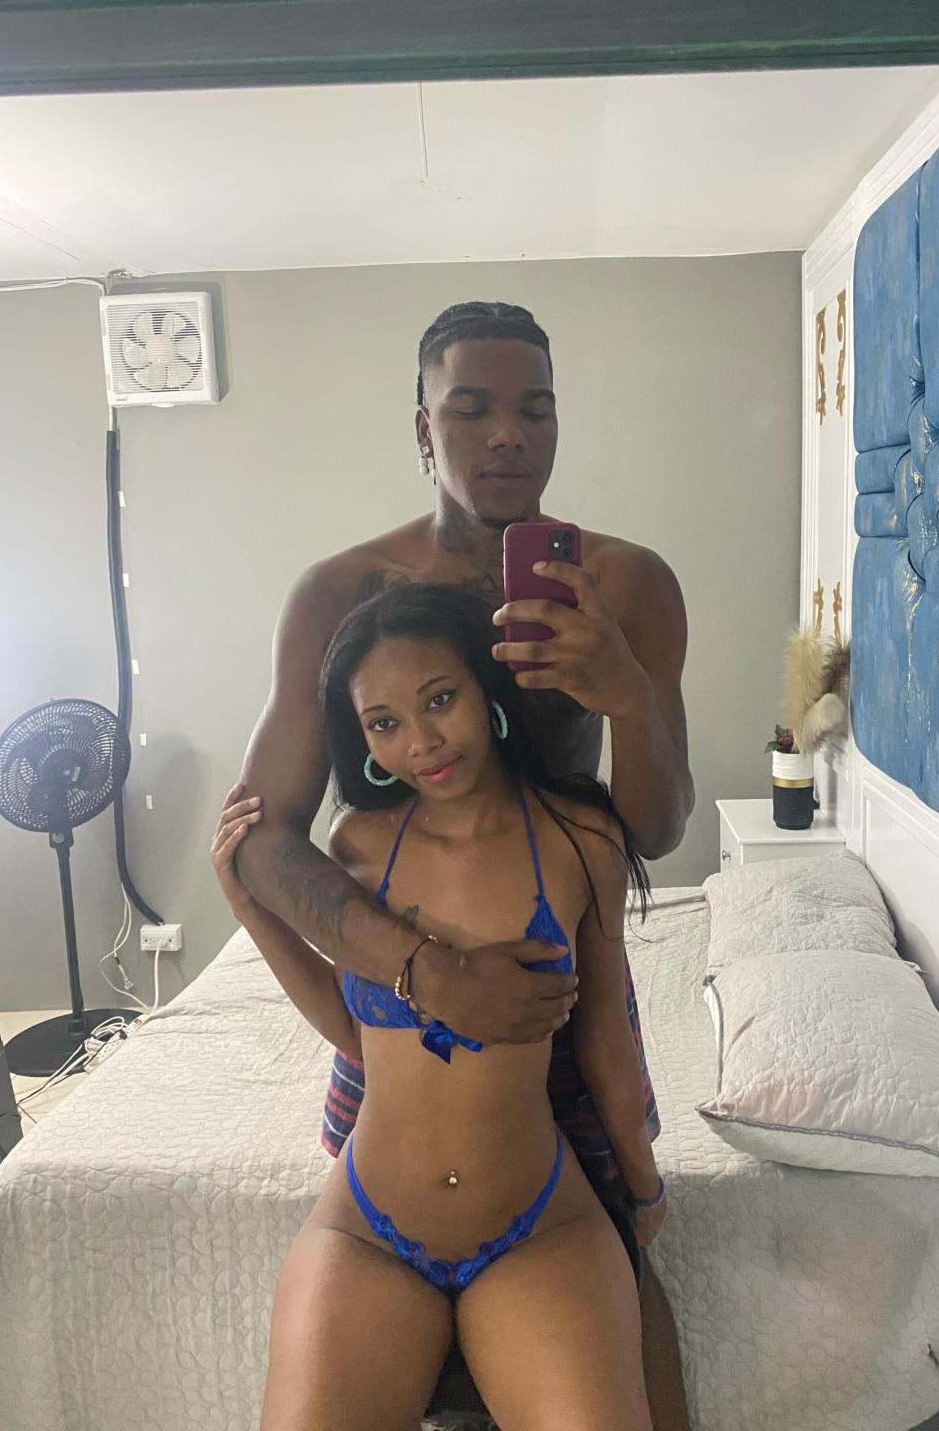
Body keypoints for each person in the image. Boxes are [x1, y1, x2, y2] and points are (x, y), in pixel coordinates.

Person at [233, 301, 694, 1428]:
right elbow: (260, 840)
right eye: (472, 409)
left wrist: (627, 697)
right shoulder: (344, 595)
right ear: (423, 428)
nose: (508, 436)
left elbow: (653, 830)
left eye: (536, 410)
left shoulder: (625, 584)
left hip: (555, 970)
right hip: (395, 983)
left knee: (636, 1295)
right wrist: (424, 975)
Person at [214, 582, 663, 1429]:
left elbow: (605, 1033)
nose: (420, 742)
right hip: (368, 1230)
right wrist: (251, 910)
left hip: (538, 1226)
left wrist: (643, 1188)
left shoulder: (580, 839)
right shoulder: (358, 845)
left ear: (484, 691)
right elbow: (355, 1033)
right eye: (384, 722)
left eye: (439, 700)